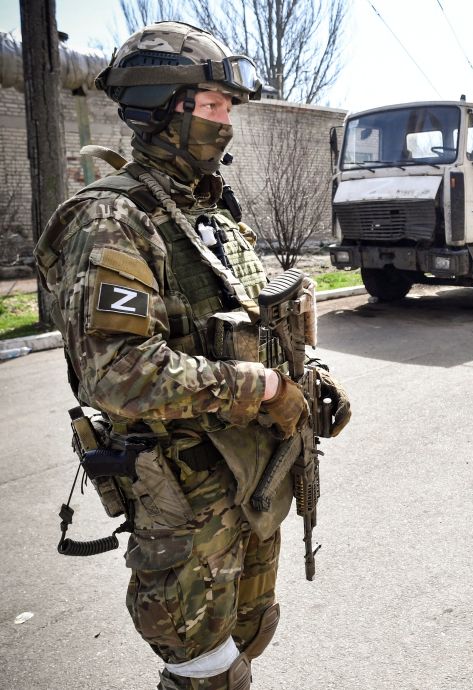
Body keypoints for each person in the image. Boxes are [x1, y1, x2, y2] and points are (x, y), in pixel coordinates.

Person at [34, 22, 344, 690]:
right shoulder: (115, 219)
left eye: (228, 107)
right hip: (186, 502)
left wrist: (308, 376)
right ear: (163, 108)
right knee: (205, 670)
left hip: (251, 484)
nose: (226, 122)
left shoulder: (215, 214)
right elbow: (117, 373)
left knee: (250, 637)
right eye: (212, 105)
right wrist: (260, 388)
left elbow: (262, 323)